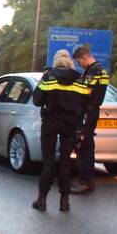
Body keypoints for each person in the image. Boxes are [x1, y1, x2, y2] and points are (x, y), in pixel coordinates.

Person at [31, 50, 88, 212]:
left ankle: (42, 199)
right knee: (65, 161)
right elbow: (84, 103)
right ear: (69, 61)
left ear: (56, 61)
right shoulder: (79, 78)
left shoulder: (49, 76)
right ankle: (64, 201)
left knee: (48, 162)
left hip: (50, 122)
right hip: (70, 124)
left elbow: (37, 100)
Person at [70, 45, 109, 195]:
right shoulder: (102, 71)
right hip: (93, 111)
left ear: (84, 57)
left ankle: (84, 182)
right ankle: (89, 181)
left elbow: (85, 92)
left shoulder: (93, 71)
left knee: (82, 147)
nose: (80, 65)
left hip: (87, 112)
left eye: (79, 62)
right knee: (88, 147)